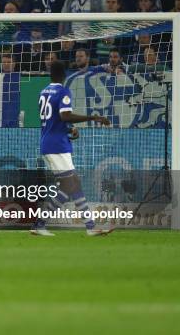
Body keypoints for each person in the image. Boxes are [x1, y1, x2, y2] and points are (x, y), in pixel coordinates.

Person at [30, 61, 113, 237]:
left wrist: (68, 130)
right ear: (64, 74)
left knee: (74, 183)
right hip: (57, 146)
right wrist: (94, 117)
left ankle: (90, 227)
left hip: (52, 142)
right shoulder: (63, 91)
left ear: (51, 74)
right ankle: (39, 224)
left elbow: (53, 120)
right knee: (68, 185)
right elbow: (64, 115)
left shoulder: (43, 92)